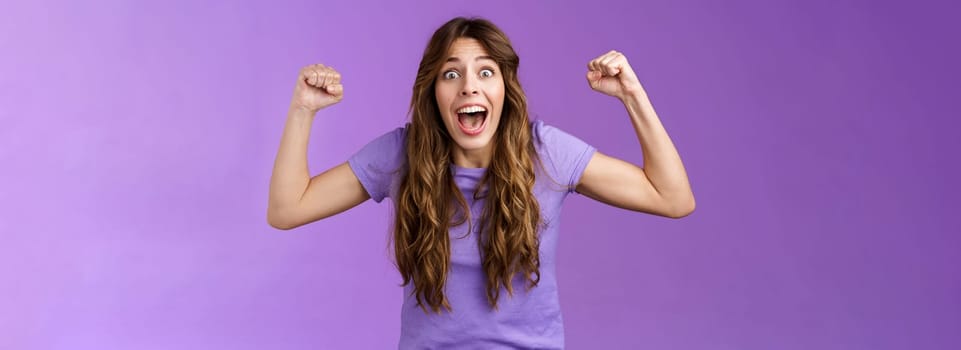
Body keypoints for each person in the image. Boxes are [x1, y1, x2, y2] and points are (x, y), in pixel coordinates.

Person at [267, 16, 694, 349]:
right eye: (451, 74)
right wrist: (303, 108)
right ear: (432, 91)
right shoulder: (403, 154)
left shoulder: (546, 154)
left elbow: (672, 197)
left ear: (506, 87)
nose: (469, 86)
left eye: (486, 72)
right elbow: (288, 209)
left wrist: (632, 95)